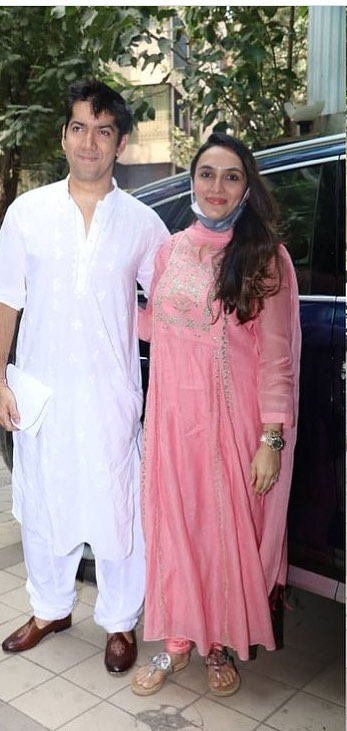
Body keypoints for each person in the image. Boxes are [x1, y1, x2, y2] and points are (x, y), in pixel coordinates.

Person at [0, 80, 169, 674]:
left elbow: (170, 303)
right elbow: (6, 300)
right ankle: (50, 609)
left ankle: (120, 621)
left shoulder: (144, 224)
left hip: (108, 396)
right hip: (42, 392)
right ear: (64, 137)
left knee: (118, 509)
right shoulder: (27, 213)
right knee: (44, 502)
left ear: (120, 143)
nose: (89, 142)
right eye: (79, 128)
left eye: (103, 131)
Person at [131, 133, 300, 697]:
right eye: (207, 174)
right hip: (172, 423)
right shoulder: (170, 250)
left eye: (231, 176)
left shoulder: (265, 257)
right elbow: (156, 325)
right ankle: (178, 639)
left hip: (231, 424)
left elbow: (277, 357)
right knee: (174, 529)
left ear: (247, 187)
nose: (218, 187)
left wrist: (270, 439)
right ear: (192, 180)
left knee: (220, 535)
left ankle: (220, 644)